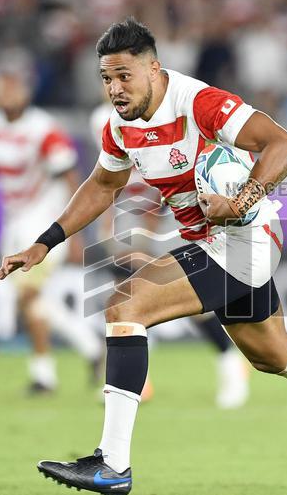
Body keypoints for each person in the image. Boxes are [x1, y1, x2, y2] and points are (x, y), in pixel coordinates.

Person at [0, 17, 287, 495]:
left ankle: (112, 463)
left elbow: (285, 146)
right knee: (275, 354)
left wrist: (240, 201)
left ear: (154, 69)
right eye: (107, 78)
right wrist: (45, 241)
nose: (114, 89)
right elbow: (103, 184)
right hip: (213, 241)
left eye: (124, 76)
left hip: (245, 237)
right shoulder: (120, 126)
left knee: (125, 307)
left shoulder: (198, 102)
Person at [90, 103, 250, 408]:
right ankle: (135, 382)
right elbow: (106, 179)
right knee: (125, 298)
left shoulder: (164, 119)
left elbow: (170, 180)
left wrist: (147, 232)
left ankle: (230, 363)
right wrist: (108, 222)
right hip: (130, 217)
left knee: (189, 301)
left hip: (173, 218)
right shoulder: (105, 122)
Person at [0, 70, 103, 393]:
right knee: (30, 300)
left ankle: (45, 374)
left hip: (44, 219)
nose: (8, 95)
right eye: (2, 90)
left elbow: (70, 177)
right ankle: (91, 348)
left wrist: (74, 231)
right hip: (14, 221)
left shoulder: (43, 129)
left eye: (13, 89)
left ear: (26, 95)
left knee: (29, 296)